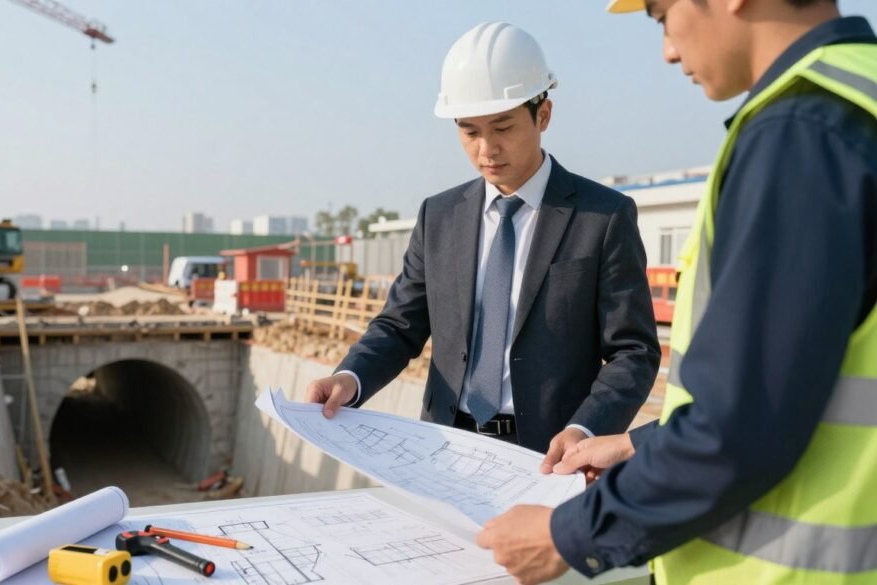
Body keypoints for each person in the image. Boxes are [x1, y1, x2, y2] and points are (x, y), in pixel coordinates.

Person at [475, 2, 877, 584]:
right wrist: (640, 445)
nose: (667, 47)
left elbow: (741, 426)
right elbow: (801, 384)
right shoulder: (857, 97)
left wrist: (569, 533)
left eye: (661, 14)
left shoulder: (802, 132)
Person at [305, 22, 660, 454]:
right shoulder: (438, 216)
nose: (486, 149)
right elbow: (399, 327)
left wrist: (585, 431)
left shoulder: (602, 216)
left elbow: (633, 351)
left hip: (549, 454)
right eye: (469, 131)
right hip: (442, 447)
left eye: (503, 127)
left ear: (543, 114)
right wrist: (350, 377)